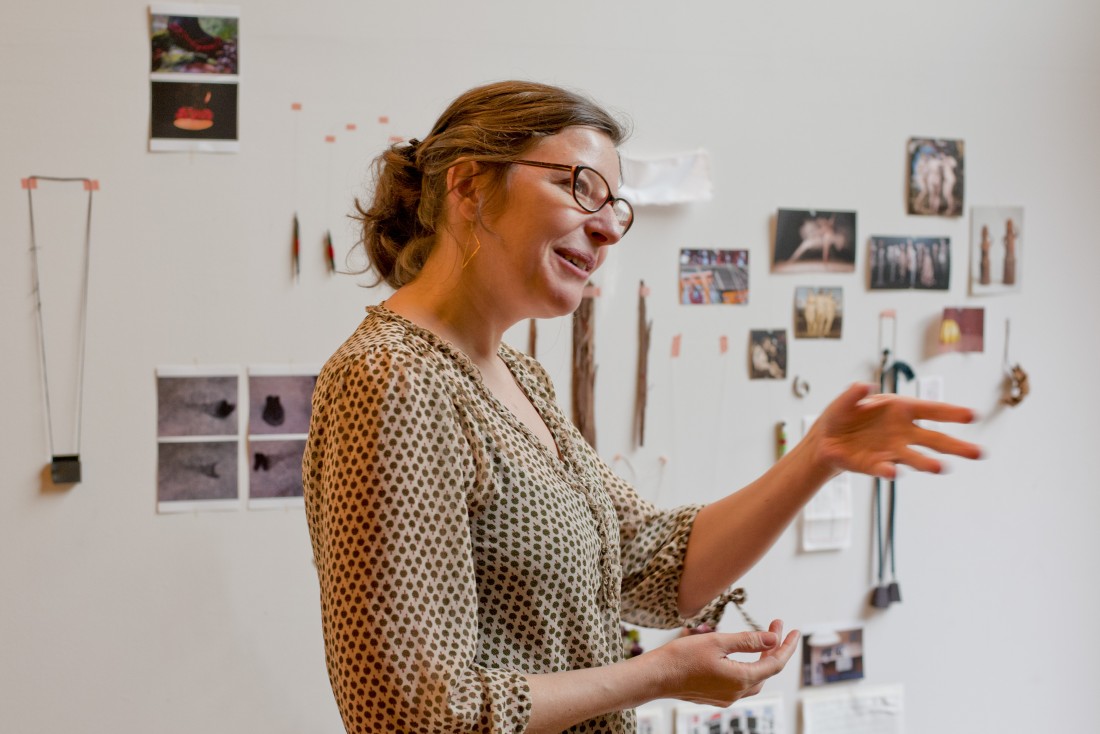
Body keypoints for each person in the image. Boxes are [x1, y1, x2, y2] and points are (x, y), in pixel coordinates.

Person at [302, 80, 982, 734]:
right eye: (579, 187)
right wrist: (655, 676)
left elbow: (656, 566)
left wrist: (817, 456)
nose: (607, 231)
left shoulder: (519, 377)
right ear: (470, 185)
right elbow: (409, 715)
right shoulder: (391, 378)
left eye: (615, 206)